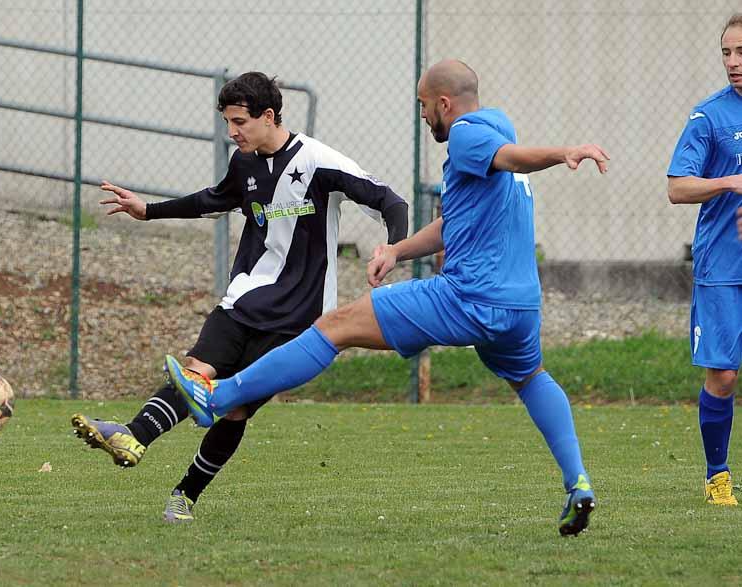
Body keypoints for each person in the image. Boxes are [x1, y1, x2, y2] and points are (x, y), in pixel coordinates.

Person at [168, 59, 609, 536]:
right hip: (521, 305)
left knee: (332, 328)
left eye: (423, 106)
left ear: (443, 103)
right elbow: (455, 221)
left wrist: (565, 152)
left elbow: (513, 156)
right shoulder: (495, 125)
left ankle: (218, 396)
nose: (422, 116)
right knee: (530, 378)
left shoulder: (467, 135)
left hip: (467, 296)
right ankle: (578, 483)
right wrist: (398, 249)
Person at [70, 71, 409, 523]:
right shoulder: (244, 163)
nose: (232, 132)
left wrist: (394, 247)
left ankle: (184, 496)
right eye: (228, 123)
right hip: (243, 298)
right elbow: (211, 200)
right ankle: (134, 437)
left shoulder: (319, 162)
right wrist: (148, 211)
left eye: (239, 122)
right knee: (197, 372)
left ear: (268, 116)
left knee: (234, 407)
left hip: (298, 316)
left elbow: (392, 202)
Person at [666, 14, 742, 506]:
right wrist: (730, 182)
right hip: (722, 269)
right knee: (724, 374)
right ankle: (717, 476)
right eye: (727, 53)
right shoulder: (709, 117)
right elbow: (677, 187)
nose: (734, 63)